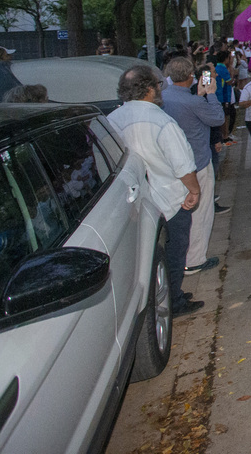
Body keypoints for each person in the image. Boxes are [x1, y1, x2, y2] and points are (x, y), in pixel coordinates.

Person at [108, 65, 205, 317]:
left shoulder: (111, 121)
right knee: (174, 252)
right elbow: (182, 165)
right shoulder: (161, 121)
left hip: (131, 204)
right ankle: (174, 300)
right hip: (171, 202)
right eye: (158, 86)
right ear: (150, 89)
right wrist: (194, 190)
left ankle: (164, 296)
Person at [160, 57, 225, 277]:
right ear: (191, 76)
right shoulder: (194, 102)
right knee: (200, 213)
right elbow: (217, 118)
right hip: (197, 163)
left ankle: (178, 259)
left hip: (168, 168)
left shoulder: (161, 98)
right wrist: (212, 93)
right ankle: (195, 259)